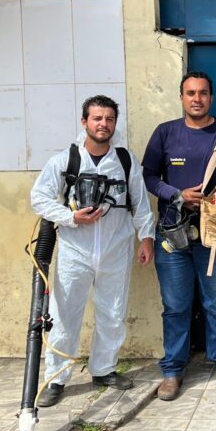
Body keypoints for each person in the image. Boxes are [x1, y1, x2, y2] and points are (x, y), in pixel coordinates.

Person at [30, 95, 155, 407]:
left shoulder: (124, 160)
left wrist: (147, 238)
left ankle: (104, 369)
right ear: (84, 122)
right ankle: (56, 378)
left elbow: (140, 203)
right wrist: (71, 217)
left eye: (109, 119)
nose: (104, 124)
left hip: (117, 248)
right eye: (97, 118)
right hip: (76, 250)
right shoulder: (66, 161)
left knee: (113, 312)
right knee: (64, 315)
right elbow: (40, 198)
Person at [143, 71, 216, 400]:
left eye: (203, 93)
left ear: (211, 97)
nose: (197, 98)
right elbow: (149, 175)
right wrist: (175, 193)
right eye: (190, 93)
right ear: (181, 97)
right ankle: (172, 372)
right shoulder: (165, 133)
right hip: (171, 232)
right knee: (175, 306)